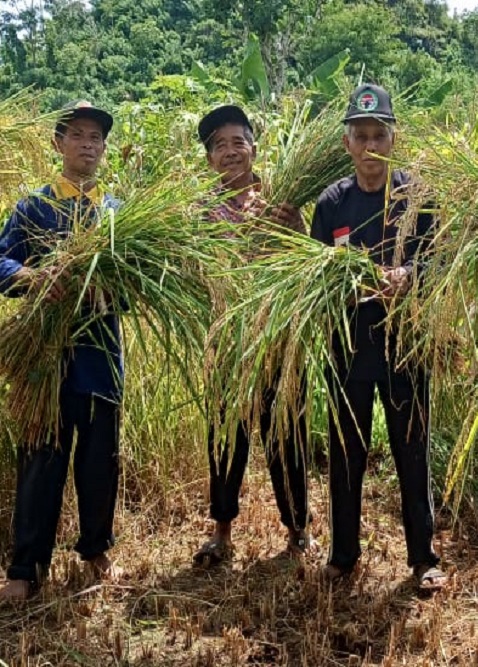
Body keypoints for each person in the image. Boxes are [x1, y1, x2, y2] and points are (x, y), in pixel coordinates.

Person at [310, 84, 444, 589]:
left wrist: (410, 275)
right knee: (348, 450)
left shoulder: (420, 197)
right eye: (360, 136)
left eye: (378, 136)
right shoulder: (332, 204)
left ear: (394, 139)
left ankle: (424, 557)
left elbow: (441, 261)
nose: (369, 147)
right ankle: (343, 554)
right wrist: (345, 285)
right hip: (347, 346)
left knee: (413, 446)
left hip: (405, 343)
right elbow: (312, 275)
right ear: (346, 144)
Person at [0, 101, 124, 601]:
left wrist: (107, 290)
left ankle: (95, 550)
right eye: (77, 135)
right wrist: (29, 276)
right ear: (59, 144)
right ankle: (25, 568)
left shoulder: (117, 214)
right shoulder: (34, 207)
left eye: (95, 137)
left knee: (100, 464)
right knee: (40, 466)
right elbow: (0, 261)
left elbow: (134, 286)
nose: (88, 144)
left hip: (100, 360)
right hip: (46, 364)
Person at [192, 104, 313, 566]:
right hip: (227, 345)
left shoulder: (280, 202)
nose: (229, 152)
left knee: (287, 436)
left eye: (237, 142)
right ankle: (221, 531)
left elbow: (308, 261)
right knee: (225, 440)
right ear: (209, 159)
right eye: (218, 146)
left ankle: (298, 531)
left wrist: (297, 229)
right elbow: (191, 274)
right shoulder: (198, 214)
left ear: (254, 150)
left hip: (279, 341)